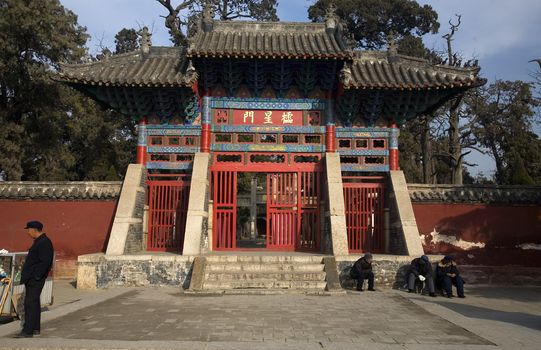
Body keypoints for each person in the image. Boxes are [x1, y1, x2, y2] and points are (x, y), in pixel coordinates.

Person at [14, 221, 54, 338]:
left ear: (34, 230)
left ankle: (28, 330)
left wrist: (36, 276)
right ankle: (35, 328)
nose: (28, 232)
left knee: (30, 304)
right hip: (33, 278)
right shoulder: (40, 242)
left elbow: (45, 262)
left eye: (29, 229)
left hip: (35, 279)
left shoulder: (44, 242)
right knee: (34, 303)